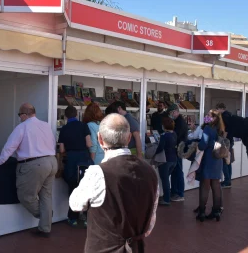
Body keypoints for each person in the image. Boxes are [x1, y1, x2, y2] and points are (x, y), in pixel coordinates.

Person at [69, 114, 158, 253]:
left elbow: (75, 204)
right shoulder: (150, 171)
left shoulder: (97, 173)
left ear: (100, 139)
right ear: (129, 138)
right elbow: (150, 224)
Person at [0, 103, 57, 237]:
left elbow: (10, 146)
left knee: (25, 196)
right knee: (46, 196)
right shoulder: (46, 125)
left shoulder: (22, 127)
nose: (19, 118)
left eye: (20, 115)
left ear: (25, 114)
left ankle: (45, 217)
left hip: (34, 165)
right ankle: (45, 226)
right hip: (51, 161)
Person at [58, 106, 93, 227]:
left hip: (71, 160)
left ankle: (72, 218)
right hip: (84, 159)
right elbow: (89, 143)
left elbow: (62, 149)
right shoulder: (84, 126)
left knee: (73, 188)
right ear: (77, 113)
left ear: (66, 116)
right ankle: (87, 218)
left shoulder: (64, 129)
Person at [196, 110, 225, 222]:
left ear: (214, 118)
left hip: (208, 159)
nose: (206, 117)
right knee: (216, 185)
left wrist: (198, 145)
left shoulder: (208, 129)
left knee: (205, 185)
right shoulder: (221, 129)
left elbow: (203, 144)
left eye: (208, 116)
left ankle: (202, 212)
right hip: (217, 160)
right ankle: (216, 211)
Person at [167, 104, 188, 202]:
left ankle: (180, 193)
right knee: (175, 171)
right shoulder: (178, 121)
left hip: (179, 149)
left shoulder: (180, 122)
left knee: (178, 171)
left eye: (171, 112)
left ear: (176, 111)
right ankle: (174, 192)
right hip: (178, 148)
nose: (171, 114)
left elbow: (176, 136)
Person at [155, 116, 178, 206]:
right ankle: (167, 196)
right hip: (174, 159)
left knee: (165, 180)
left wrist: (154, 153)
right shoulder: (174, 134)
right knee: (166, 179)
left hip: (165, 160)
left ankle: (166, 199)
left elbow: (160, 147)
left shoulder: (164, 136)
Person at [216, 103, 234, 189]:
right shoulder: (230, 115)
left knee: (224, 161)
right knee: (228, 160)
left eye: (218, 109)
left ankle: (227, 181)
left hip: (225, 141)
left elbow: (225, 130)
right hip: (230, 141)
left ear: (221, 108)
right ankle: (228, 180)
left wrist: (222, 139)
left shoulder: (224, 116)